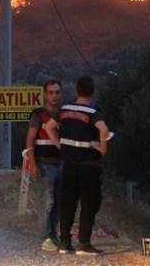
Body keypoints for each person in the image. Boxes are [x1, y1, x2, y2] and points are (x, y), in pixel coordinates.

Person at [46, 76, 110, 256]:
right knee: (89, 204)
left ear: (76, 91)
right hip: (89, 165)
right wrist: (102, 149)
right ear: (92, 91)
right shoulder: (92, 112)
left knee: (68, 204)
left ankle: (65, 243)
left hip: (68, 164)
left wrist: (60, 145)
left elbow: (49, 127)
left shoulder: (64, 109)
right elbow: (103, 130)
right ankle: (84, 243)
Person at [25, 80, 63, 252]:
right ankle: (45, 238)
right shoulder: (38, 115)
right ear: (45, 94)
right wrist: (32, 163)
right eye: (51, 92)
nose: (54, 95)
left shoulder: (64, 114)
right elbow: (30, 139)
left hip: (61, 164)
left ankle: (53, 235)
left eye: (57, 92)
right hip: (43, 163)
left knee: (58, 202)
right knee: (46, 202)